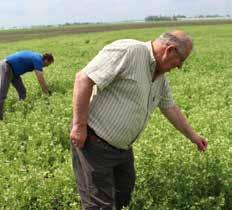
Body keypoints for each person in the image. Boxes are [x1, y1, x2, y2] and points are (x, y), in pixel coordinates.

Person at [70, 30, 208, 210]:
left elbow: (170, 108)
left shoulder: (160, 77)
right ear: (170, 50)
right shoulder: (130, 51)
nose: (180, 66)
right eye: (181, 60)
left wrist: (194, 137)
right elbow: (83, 79)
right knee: (98, 205)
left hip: (122, 149)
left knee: (123, 195)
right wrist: (79, 126)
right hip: (93, 142)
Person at [0, 50, 54, 120]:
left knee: (22, 92)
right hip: (7, 67)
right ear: (46, 60)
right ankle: (0, 117)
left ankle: (20, 109)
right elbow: (40, 78)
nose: (46, 66)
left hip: (14, 72)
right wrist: (45, 91)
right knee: (2, 93)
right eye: (47, 64)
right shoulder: (38, 59)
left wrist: (46, 89)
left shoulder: (38, 57)